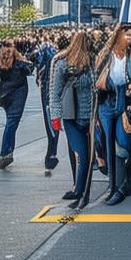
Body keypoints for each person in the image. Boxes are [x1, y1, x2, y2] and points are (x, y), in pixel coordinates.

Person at [95, 24, 131, 206]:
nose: (130, 38)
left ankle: (121, 187)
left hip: (124, 104)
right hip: (106, 103)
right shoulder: (105, 55)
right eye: (127, 34)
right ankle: (113, 186)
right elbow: (95, 78)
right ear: (118, 35)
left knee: (122, 146)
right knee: (109, 146)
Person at [49, 32, 95, 204]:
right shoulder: (64, 64)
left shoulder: (91, 63)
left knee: (85, 155)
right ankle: (79, 189)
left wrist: (55, 117)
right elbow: (55, 92)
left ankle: (80, 188)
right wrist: (55, 116)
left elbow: (54, 93)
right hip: (77, 115)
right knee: (83, 155)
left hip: (82, 115)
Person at [0, 39, 33, 170]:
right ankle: (5, 153)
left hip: (5, 96)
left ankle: (8, 152)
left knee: (10, 122)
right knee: (12, 123)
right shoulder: (19, 64)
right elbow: (29, 69)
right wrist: (24, 59)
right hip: (17, 96)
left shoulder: (0, 65)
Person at [34, 37, 61, 177]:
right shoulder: (49, 54)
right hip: (53, 94)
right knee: (54, 126)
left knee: (53, 126)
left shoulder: (48, 53)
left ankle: (51, 155)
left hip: (52, 94)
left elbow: (40, 72)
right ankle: (51, 155)